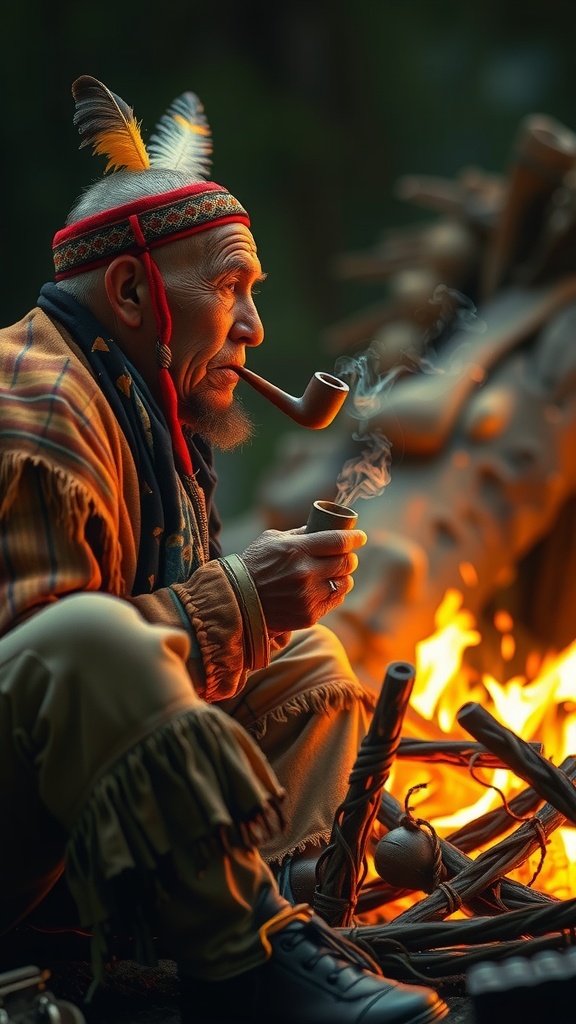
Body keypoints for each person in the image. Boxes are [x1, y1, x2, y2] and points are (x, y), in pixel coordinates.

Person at [0, 76, 448, 1024]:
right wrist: (235, 601)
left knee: (308, 664)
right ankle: (247, 969)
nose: (253, 329)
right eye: (231, 289)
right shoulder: (34, 413)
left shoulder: (138, 401)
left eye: (256, 293)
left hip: (66, 843)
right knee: (92, 639)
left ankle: (264, 920)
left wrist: (263, 610)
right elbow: (57, 668)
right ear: (130, 290)